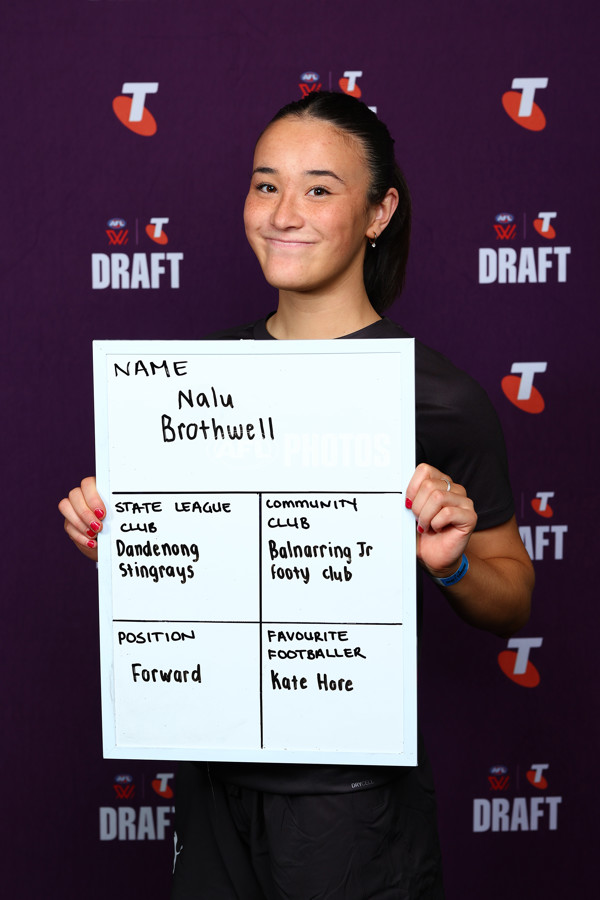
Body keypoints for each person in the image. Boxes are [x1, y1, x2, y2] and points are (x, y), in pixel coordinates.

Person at [59, 92, 534, 899]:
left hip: (352, 809)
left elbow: (511, 597)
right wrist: (118, 539)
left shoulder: (437, 397)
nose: (284, 213)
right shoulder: (194, 380)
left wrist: (450, 565)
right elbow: (185, 570)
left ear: (380, 211)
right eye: (265, 184)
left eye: (319, 188)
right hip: (213, 789)